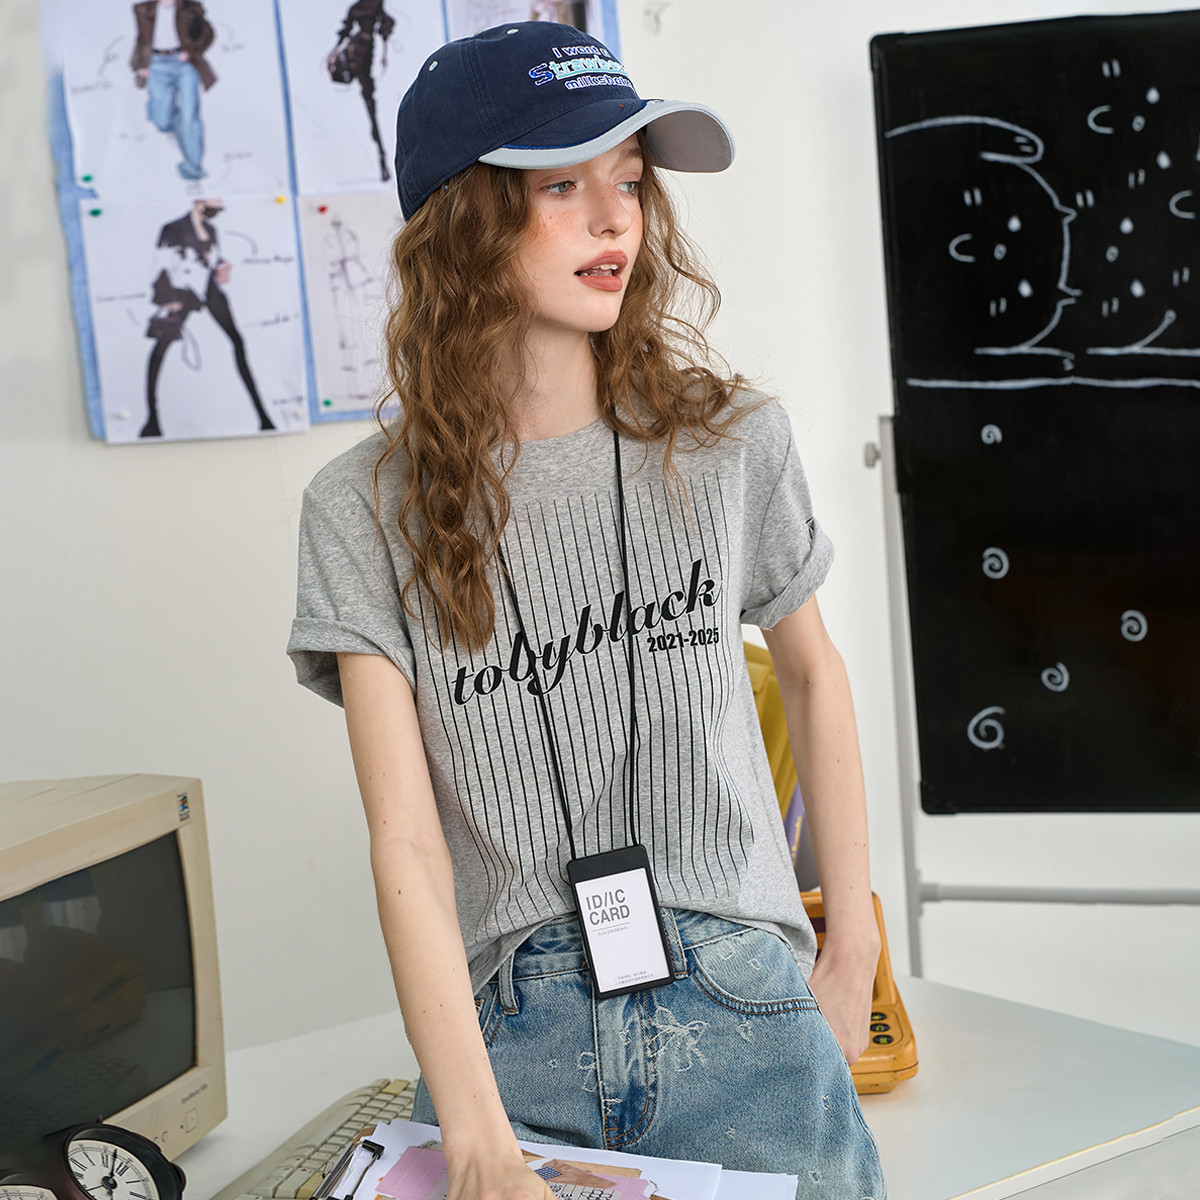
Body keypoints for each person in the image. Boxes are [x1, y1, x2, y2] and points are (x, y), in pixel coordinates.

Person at [288, 22, 885, 1200]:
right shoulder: (360, 509)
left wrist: (852, 948)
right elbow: (404, 838)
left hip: (744, 1002)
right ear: (463, 220)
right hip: (512, 1035)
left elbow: (815, 672)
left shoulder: (730, 443)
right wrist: (473, 1132)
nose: (616, 219)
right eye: (562, 185)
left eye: (630, 180)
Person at [141, 199, 274, 438]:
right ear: (199, 200)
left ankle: (264, 417)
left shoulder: (211, 229)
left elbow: (212, 258)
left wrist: (222, 267)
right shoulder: (173, 228)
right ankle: (152, 419)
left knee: (237, 341)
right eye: (216, 202)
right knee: (162, 347)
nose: (219, 206)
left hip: (209, 288)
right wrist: (167, 297)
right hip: (182, 291)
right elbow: (161, 264)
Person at [130, 0, 216, 181]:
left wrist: (192, 52)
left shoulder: (191, 7)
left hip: (184, 64)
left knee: (190, 117)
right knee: (160, 119)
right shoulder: (143, 9)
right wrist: (140, 65)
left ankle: (194, 168)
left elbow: (207, 33)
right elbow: (141, 38)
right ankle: (177, 129)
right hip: (156, 64)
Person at [327, 0, 395, 182]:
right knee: (368, 97)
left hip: (360, 49)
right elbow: (384, 25)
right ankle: (381, 155)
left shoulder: (364, 7)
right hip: (361, 50)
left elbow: (348, 29)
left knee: (368, 97)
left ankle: (381, 155)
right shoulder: (371, 5)